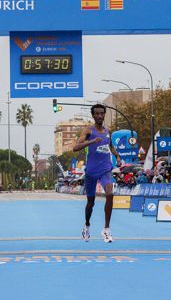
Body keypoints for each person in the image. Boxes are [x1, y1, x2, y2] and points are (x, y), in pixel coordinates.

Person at [73, 104, 122, 243]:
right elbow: (75, 148)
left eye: (102, 113)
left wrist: (117, 157)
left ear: (104, 115)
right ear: (93, 115)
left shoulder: (108, 131)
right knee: (91, 203)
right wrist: (92, 141)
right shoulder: (88, 131)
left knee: (110, 194)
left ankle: (106, 229)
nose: (100, 116)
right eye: (97, 114)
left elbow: (110, 145)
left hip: (106, 169)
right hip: (91, 172)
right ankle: (87, 225)